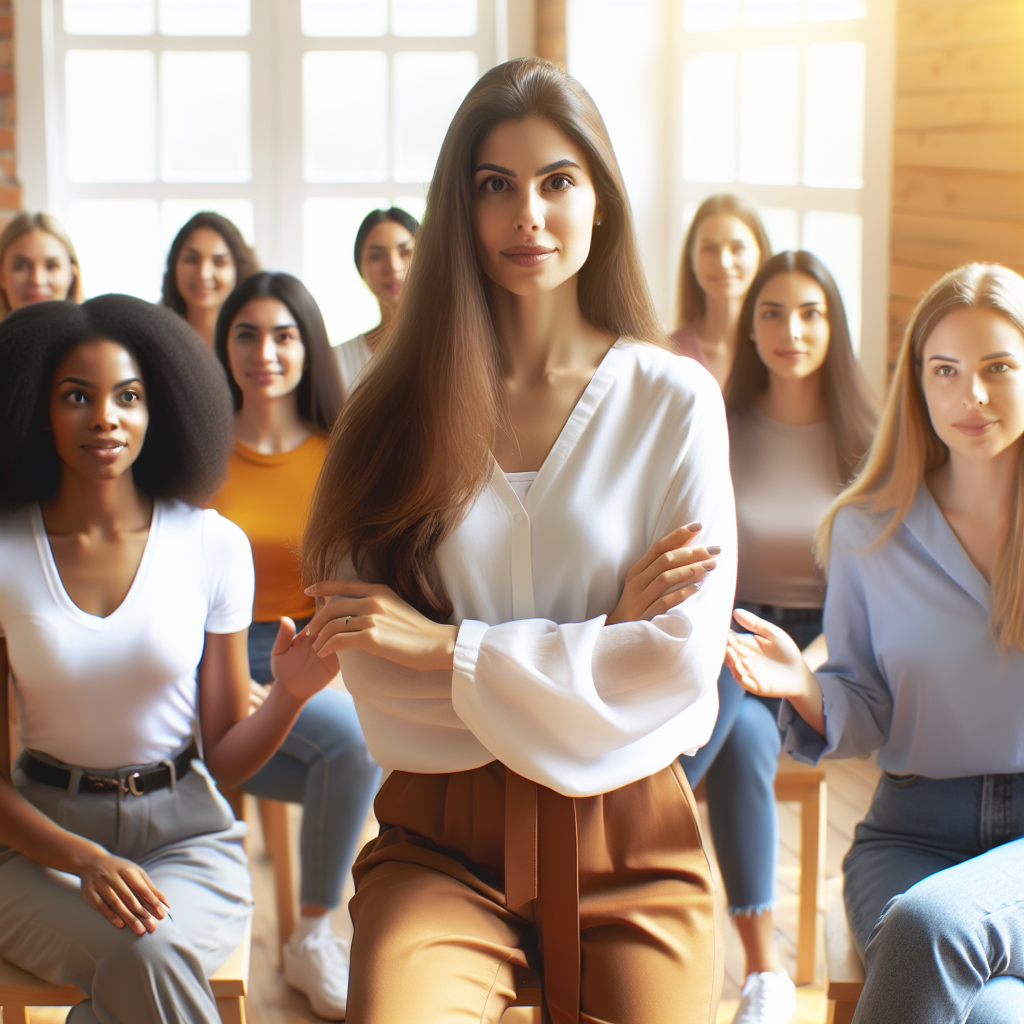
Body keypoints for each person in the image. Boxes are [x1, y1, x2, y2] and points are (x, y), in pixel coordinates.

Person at [300, 57, 736, 1024]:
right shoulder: (389, 410)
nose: (526, 215)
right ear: (458, 207)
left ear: (601, 200)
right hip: (439, 843)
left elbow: (676, 662)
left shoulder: (674, 403)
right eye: (494, 185)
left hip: (635, 840)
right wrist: (595, 644)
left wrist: (446, 646)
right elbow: (369, 666)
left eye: (556, 182)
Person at [0, 296, 338, 1024]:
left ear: (162, 409)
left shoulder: (212, 544)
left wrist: (287, 695)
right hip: (37, 846)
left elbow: (224, 754)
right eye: (75, 397)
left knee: (143, 961)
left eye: (128, 396)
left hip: (189, 838)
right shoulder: (3, 552)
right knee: (149, 960)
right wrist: (84, 859)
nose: (105, 418)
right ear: (36, 408)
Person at [726, 263, 1024, 1024]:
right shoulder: (866, 531)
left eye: (998, 368)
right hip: (909, 834)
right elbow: (867, 711)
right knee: (994, 1016)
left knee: (931, 926)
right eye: (946, 371)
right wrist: (805, 686)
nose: (973, 396)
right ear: (917, 383)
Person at [681, 251, 877, 1023]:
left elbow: (874, 592)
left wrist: (809, 662)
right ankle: (764, 973)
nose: (791, 331)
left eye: (809, 313)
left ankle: (632, 815)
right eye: (771, 313)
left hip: (828, 647)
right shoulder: (718, 425)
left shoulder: (867, 438)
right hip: (729, 625)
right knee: (744, 736)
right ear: (751, 329)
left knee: (740, 712)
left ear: (834, 324)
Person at [209, 271, 381, 1020]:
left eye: (283, 335)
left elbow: (362, 576)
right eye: (246, 334)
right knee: (342, 748)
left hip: (310, 653)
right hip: (209, 655)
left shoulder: (337, 453)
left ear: (308, 347)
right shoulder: (196, 452)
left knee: (355, 740)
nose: (264, 352)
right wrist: (215, 678)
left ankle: (313, 932)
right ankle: (234, 922)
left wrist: (329, 675)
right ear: (225, 347)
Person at [670, 194, 771, 389]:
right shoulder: (667, 353)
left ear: (761, 253)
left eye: (738, 248)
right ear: (691, 257)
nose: (724, 263)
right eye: (709, 249)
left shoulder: (778, 350)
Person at [333, 206, 418, 394]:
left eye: (405, 252)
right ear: (360, 268)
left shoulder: (457, 348)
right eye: (377, 256)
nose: (393, 266)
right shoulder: (337, 360)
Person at [161, 211, 260, 347]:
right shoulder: (154, 335)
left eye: (219, 262)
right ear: (174, 265)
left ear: (238, 269)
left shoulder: (257, 345)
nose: (204, 274)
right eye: (192, 259)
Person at [0, 211, 84, 316]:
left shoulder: (102, 331)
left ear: (72, 273)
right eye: (20, 266)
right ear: (2, 274)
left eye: (51, 266)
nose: (37, 280)